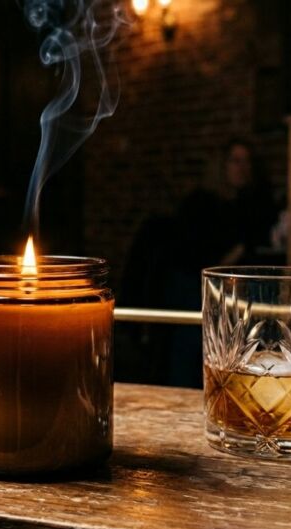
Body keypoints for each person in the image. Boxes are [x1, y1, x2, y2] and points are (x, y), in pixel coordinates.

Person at [119, 139, 282, 388]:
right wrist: (240, 249)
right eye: (235, 161)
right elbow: (198, 260)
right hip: (192, 283)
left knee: (264, 303)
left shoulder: (252, 203)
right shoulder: (200, 203)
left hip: (229, 288)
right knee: (196, 329)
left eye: (247, 161)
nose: (243, 168)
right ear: (222, 166)